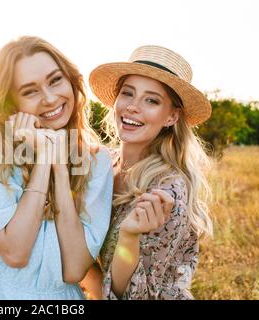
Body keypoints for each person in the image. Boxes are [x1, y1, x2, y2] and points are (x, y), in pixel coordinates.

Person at [0, 36, 113, 299]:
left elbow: (74, 269)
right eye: (30, 91)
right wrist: (43, 162)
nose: (49, 98)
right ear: (11, 103)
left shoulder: (97, 161)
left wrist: (58, 167)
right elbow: (15, 252)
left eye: (55, 80)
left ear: (71, 80)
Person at [82, 45, 213, 300]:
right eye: (127, 94)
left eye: (151, 100)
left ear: (171, 117)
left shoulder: (166, 190)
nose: (132, 107)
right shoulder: (102, 163)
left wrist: (129, 235)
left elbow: (129, 293)